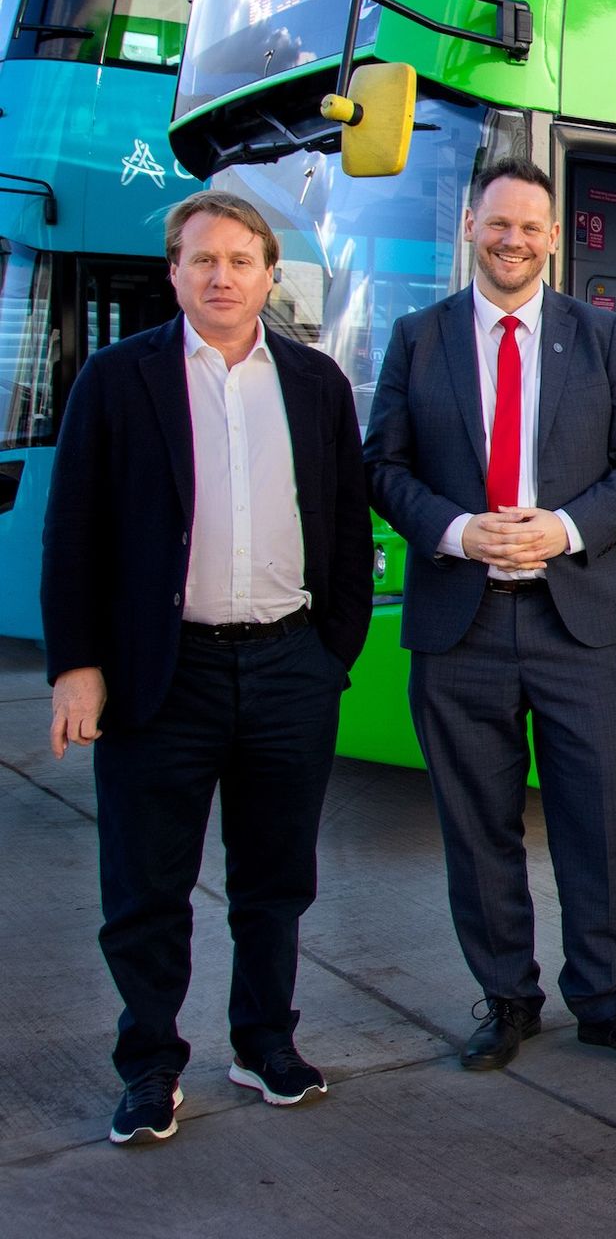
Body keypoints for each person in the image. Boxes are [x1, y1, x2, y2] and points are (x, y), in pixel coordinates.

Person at [41, 190, 373, 1143]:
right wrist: (78, 668)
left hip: (287, 669)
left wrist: (330, 653)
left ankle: (264, 1039)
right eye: (202, 260)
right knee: (146, 889)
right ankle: (149, 1062)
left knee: (276, 880)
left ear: (271, 274)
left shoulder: (315, 384)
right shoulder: (116, 379)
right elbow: (73, 537)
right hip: (161, 677)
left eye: (240, 260)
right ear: (174, 273)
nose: (222, 276)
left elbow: (346, 528)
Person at [364, 156, 616, 1070]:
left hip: (578, 622)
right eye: (498, 224)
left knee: (600, 821)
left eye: (531, 227)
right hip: (460, 626)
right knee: (478, 826)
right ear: (471, 226)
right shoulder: (417, 338)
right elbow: (382, 466)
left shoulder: (599, 336)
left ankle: (607, 1001)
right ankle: (507, 1000)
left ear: (553, 237)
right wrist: (460, 532)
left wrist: (566, 528)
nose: (514, 240)